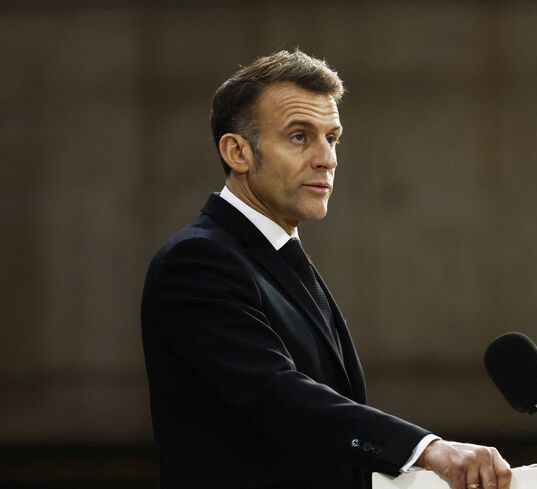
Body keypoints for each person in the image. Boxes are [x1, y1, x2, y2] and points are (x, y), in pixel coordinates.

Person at [141, 50, 512, 489]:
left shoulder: (279, 257)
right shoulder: (198, 261)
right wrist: (429, 450)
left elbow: (323, 446)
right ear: (237, 151)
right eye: (299, 137)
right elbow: (278, 396)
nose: (327, 159)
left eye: (332, 138)